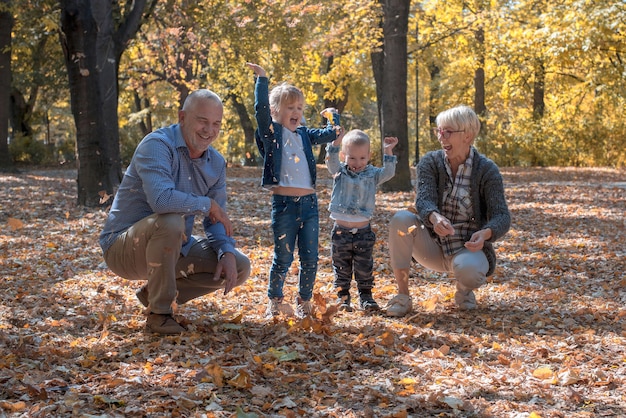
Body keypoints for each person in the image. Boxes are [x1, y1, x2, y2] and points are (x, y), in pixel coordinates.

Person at [99, 89, 251, 335]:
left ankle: (153, 294)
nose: (209, 130)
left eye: (216, 124)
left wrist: (226, 250)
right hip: (124, 248)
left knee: (240, 265)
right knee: (170, 221)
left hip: (173, 246)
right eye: (202, 120)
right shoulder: (157, 145)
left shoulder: (216, 163)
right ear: (182, 117)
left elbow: (215, 219)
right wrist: (207, 204)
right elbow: (162, 201)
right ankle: (159, 315)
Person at [385, 105, 510, 317]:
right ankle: (403, 296)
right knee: (401, 219)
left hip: (467, 249)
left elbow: (502, 216)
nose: (442, 137)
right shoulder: (431, 162)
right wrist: (434, 217)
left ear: (468, 136)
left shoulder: (487, 170)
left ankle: (464, 291)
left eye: (448, 132)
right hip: (432, 245)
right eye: (439, 131)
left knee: (469, 272)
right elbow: (423, 200)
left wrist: (486, 233)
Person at [246, 62, 343, 318]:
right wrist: (262, 79)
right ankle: (275, 302)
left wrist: (334, 117)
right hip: (284, 206)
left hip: (309, 206)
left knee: (310, 258)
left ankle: (304, 300)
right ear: (277, 111)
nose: (296, 112)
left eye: (299, 107)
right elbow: (260, 111)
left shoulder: (304, 134)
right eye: (290, 107)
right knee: (283, 258)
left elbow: (331, 133)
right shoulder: (272, 134)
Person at [326, 129, 398, 312]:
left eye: (362, 158)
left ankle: (366, 297)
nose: (357, 163)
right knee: (341, 266)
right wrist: (335, 143)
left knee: (364, 266)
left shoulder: (372, 174)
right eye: (352, 158)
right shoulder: (340, 171)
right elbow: (331, 161)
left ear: (369, 156)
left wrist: (388, 152)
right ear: (344, 156)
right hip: (341, 231)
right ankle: (343, 298)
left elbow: (389, 173)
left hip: (363, 232)